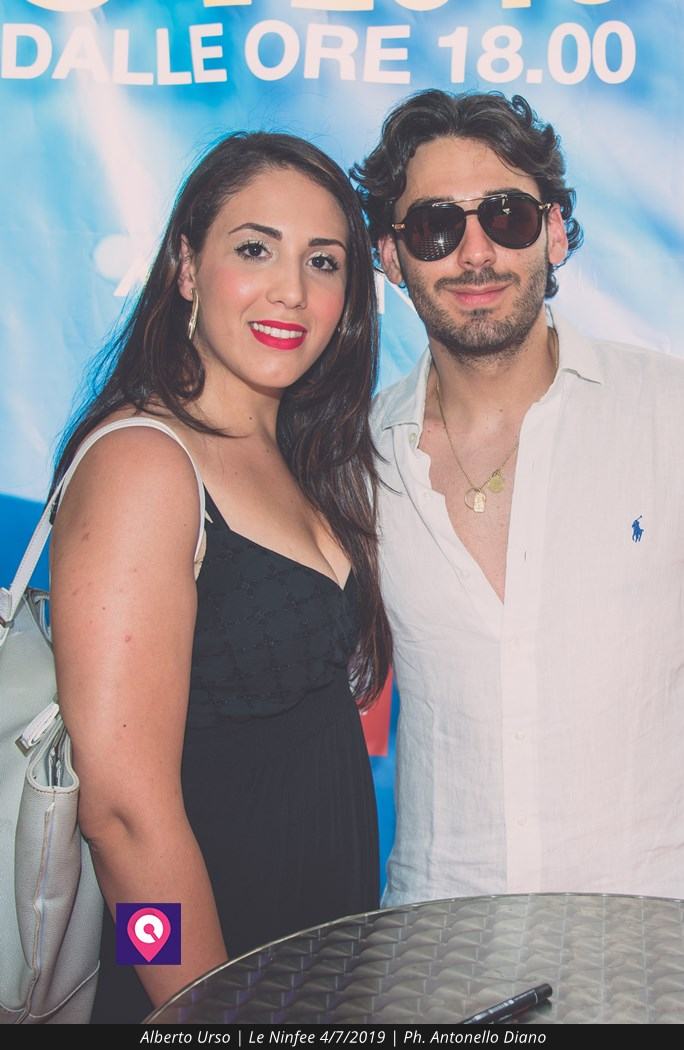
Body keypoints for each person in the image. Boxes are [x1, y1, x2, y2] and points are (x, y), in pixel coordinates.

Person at [50, 131, 391, 1023]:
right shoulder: (144, 461)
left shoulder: (300, 456)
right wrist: (197, 1007)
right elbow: (118, 817)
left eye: (324, 261)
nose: (293, 291)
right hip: (199, 984)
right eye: (254, 249)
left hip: (314, 973)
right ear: (185, 267)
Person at [352, 90, 684, 905]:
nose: (475, 253)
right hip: (439, 939)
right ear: (391, 256)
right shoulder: (354, 459)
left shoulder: (668, 413)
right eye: (435, 226)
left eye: (507, 215)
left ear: (555, 231)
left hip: (654, 936)